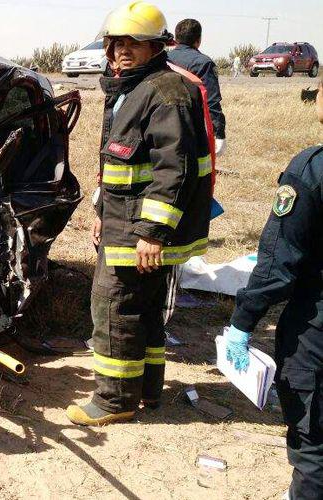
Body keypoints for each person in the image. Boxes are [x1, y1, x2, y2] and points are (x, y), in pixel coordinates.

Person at [66, 0, 213, 426]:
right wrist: (101, 210)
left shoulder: (166, 93)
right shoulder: (133, 88)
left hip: (140, 229)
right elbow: (122, 167)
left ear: (157, 46)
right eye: (116, 43)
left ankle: (114, 400)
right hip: (122, 218)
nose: (122, 51)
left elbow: (175, 171)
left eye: (134, 42)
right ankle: (147, 389)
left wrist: (152, 232)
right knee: (144, 309)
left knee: (113, 306)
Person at [223, 77, 323, 500]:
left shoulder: (311, 170)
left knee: (313, 438)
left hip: (316, 329)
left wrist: (242, 322)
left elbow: (278, 263)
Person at [167, 19, 227, 156]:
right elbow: (211, 101)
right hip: (191, 127)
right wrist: (219, 133)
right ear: (198, 40)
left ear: (176, 38)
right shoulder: (204, 63)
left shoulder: (163, 58)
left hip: (162, 123)